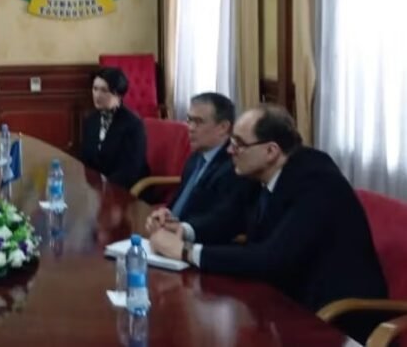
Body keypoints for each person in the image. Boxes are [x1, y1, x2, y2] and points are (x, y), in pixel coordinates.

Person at [149, 104, 387, 343]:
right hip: (282, 301)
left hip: (333, 318)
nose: (230, 151)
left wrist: (186, 252)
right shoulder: (260, 171)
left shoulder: (316, 182)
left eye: (239, 144)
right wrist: (184, 230)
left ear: (271, 151)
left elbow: (271, 258)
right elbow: (228, 217)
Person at [145, 93, 257, 243]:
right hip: (169, 235)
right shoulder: (196, 157)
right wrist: (165, 213)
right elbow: (181, 200)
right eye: (189, 120)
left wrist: (182, 230)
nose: (190, 128)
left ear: (223, 127)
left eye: (198, 122)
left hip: (197, 244)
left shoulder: (236, 166)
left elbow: (221, 220)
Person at [79, 67, 150, 189]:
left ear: (118, 94)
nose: (97, 95)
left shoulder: (133, 124)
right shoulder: (90, 120)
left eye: (104, 90)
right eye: (95, 89)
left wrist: (104, 186)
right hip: (98, 189)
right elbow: (86, 160)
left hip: (127, 190)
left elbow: (131, 170)